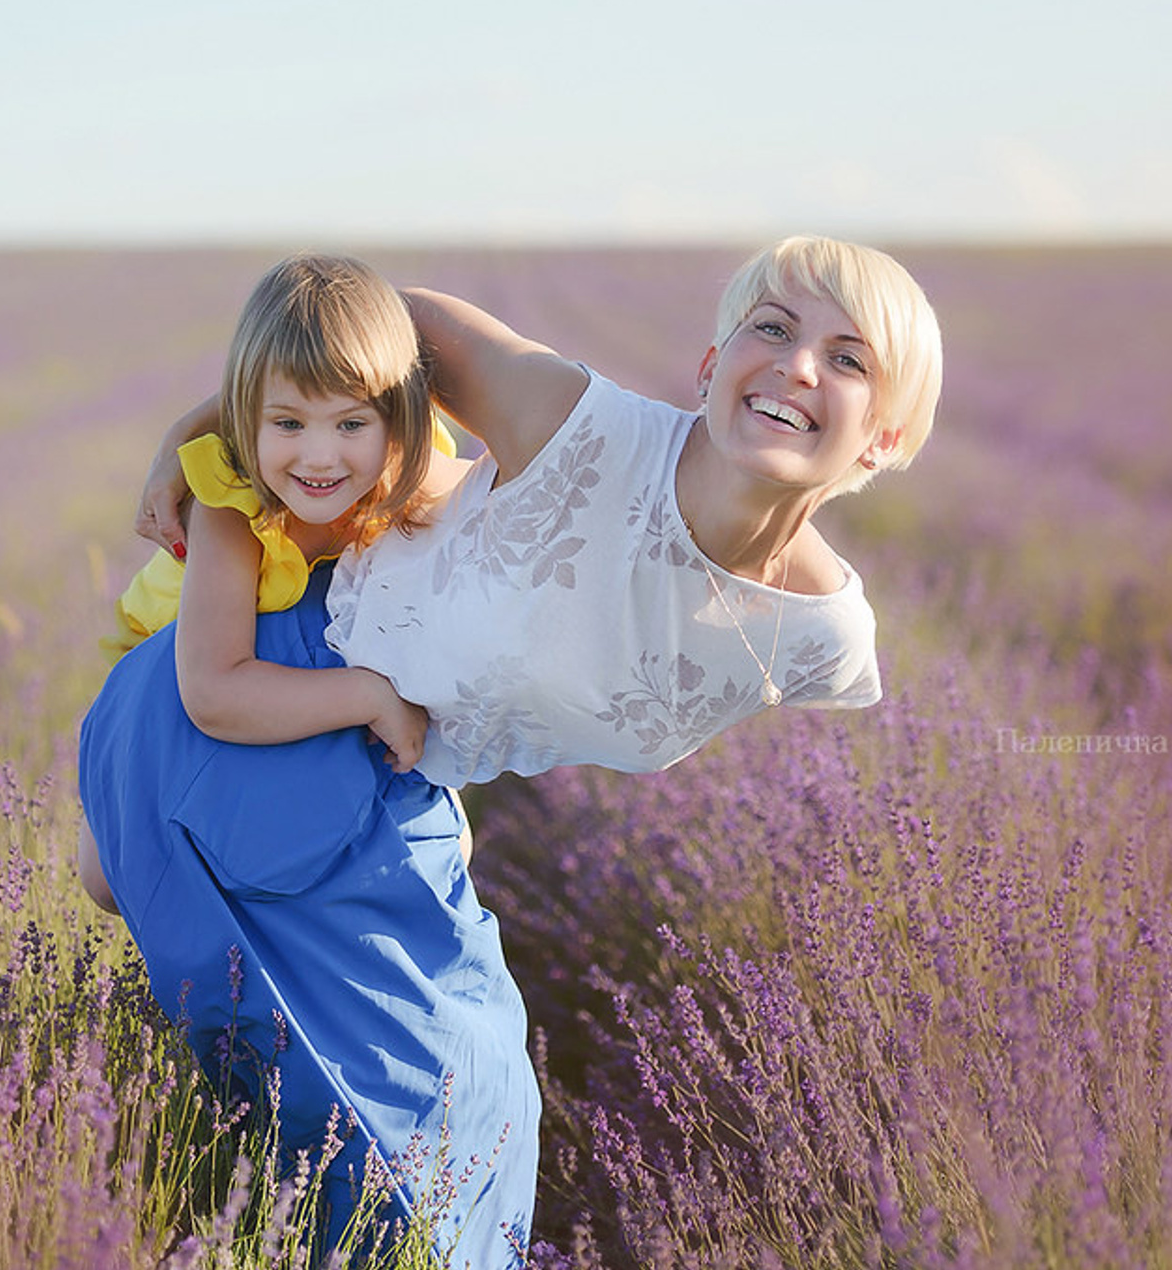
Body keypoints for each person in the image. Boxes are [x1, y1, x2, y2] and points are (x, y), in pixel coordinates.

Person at [78, 255, 538, 1267]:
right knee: (105, 881)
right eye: (286, 423)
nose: (318, 455)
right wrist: (372, 694)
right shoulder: (232, 503)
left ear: (398, 423)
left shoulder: (418, 476)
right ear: (246, 422)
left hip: (288, 734)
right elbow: (215, 687)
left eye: (348, 423)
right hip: (167, 711)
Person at [138, 235, 942, 790]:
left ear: (886, 438)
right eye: (772, 327)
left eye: (847, 360)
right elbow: (393, 320)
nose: (796, 366)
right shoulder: (577, 427)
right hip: (293, 663)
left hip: (406, 773)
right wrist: (205, 425)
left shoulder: (820, 640)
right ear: (711, 366)